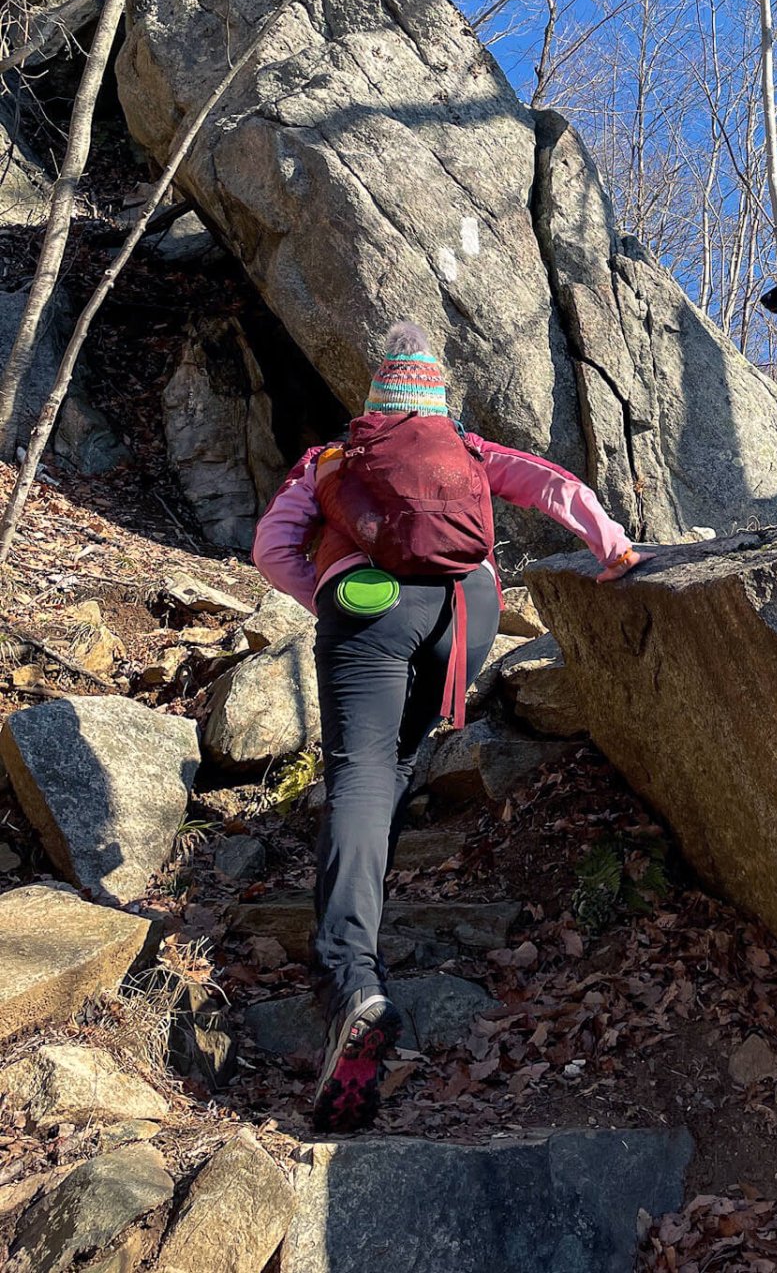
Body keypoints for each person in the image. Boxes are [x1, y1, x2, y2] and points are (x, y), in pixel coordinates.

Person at [252, 322, 647, 1131]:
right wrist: (611, 546)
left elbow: (270, 547)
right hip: (467, 611)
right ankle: (367, 912)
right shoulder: (467, 448)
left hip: (366, 604)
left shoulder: (335, 458)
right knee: (393, 764)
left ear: (375, 401)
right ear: (435, 393)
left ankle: (350, 983)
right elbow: (552, 486)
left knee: (360, 773)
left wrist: (324, 594)